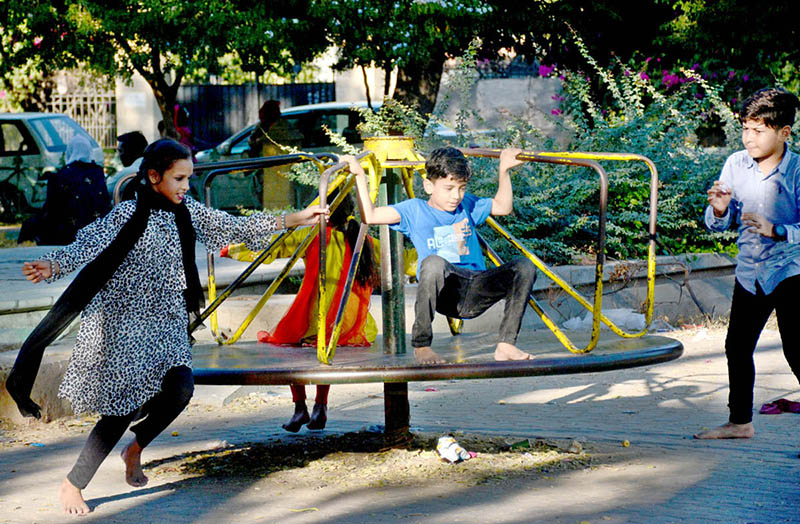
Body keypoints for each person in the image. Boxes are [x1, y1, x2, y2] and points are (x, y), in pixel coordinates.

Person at [6, 138, 326, 515]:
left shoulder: (187, 210)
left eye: (189, 178)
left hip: (168, 323)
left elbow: (230, 226)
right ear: (154, 176)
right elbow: (88, 245)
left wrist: (292, 219)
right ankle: (73, 483)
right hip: (125, 325)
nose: (186, 186)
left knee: (180, 390)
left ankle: (136, 448)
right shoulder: (127, 214)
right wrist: (53, 265)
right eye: (179, 178)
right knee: (122, 408)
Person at [347, 146, 537, 364]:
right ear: (429, 185)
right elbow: (369, 216)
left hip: (477, 286)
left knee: (524, 266)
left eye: (461, 188)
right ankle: (422, 346)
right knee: (434, 263)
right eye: (448, 188)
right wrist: (360, 176)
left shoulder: (466, 205)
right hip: (447, 291)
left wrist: (504, 170)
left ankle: (506, 345)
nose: (456, 196)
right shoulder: (414, 210)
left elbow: (503, 207)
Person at [221, 193, 381, 432]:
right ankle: (320, 406)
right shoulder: (364, 240)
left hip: (314, 315)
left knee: (288, 348)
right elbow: (403, 259)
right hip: (349, 321)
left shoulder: (312, 236)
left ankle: (299, 407)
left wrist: (231, 250)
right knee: (324, 354)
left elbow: (274, 248)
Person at [696, 87, 800, 440]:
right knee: (737, 347)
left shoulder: (798, 170)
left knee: (798, 352)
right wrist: (720, 210)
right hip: (750, 271)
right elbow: (717, 223)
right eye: (745, 128)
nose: (749, 138)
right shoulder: (735, 163)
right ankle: (740, 422)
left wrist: (779, 230)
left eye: (759, 131)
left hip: (790, 270)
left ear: (784, 132)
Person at [19, 134, 111, 245]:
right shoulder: (98, 173)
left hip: (67, 231)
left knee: (30, 225)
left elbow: (51, 209)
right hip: (98, 229)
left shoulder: (61, 175)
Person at [248, 100, 301, 208]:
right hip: (266, 173)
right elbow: (253, 141)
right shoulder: (263, 127)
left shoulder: (282, 128)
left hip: (278, 173)